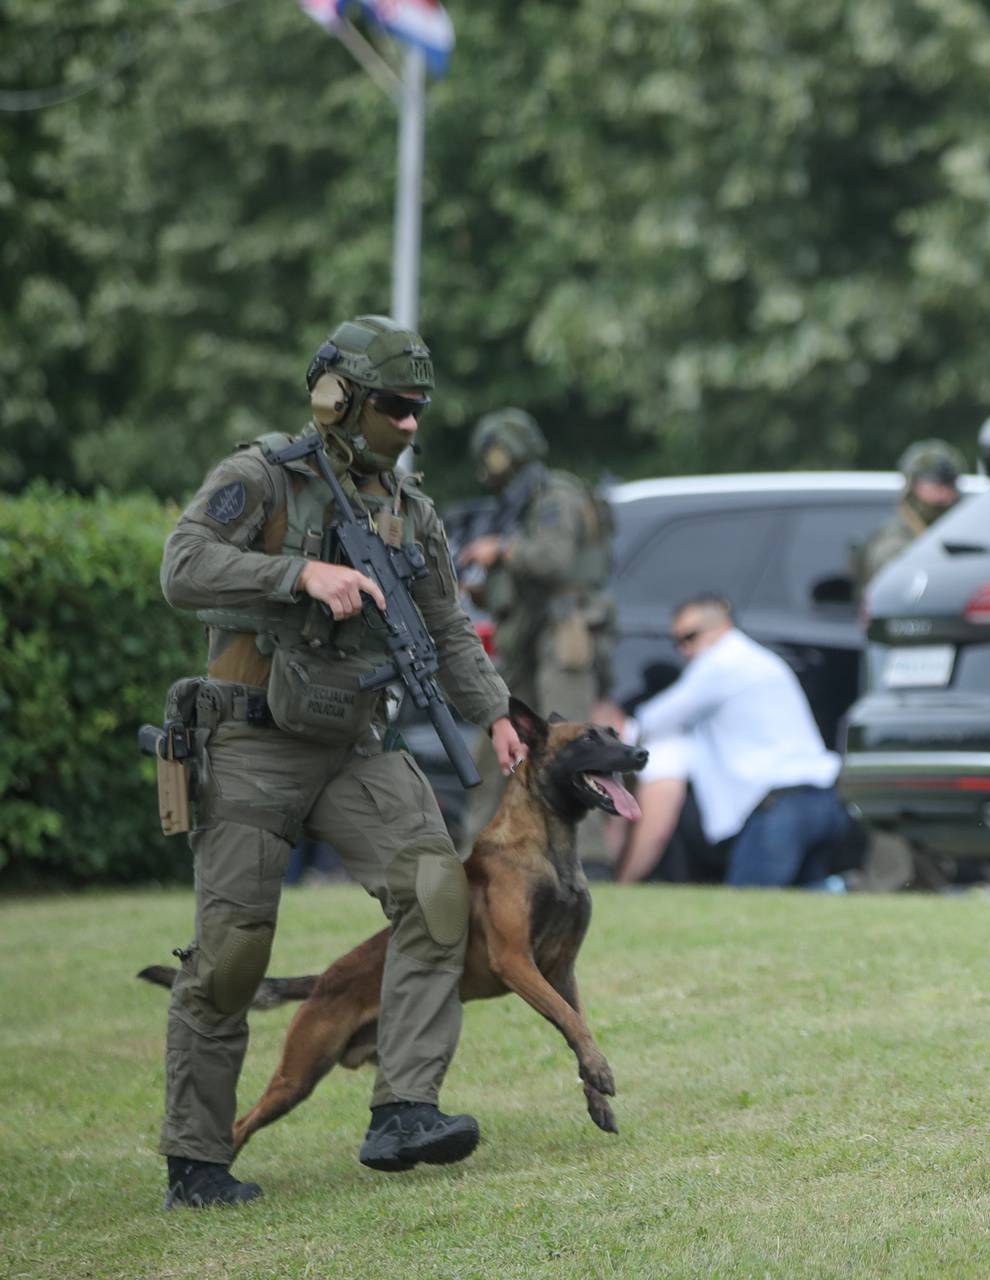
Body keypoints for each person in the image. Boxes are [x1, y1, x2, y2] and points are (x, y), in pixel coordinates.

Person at [156, 315, 527, 1209]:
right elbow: (182, 566)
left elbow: (444, 627)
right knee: (234, 954)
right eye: (396, 406)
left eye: (420, 409)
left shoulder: (411, 510)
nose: (411, 425)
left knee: (438, 894)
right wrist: (297, 578)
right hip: (250, 740)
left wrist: (498, 714)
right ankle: (198, 1163)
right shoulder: (260, 479)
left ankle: (403, 1110)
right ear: (339, 398)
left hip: (356, 745)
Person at [622, 595, 853, 887]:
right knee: (806, 912)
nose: (684, 649)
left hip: (780, 810)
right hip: (826, 800)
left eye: (690, 637)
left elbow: (653, 720)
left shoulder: (721, 662)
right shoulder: (760, 660)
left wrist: (621, 726)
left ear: (723, 626)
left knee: (746, 911)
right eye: (677, 641)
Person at [456, 408, 614, 724]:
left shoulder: (555, 496)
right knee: (507, 737)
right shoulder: (520, 503)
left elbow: (551, 559)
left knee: (563, 735)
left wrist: (499, 549)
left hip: (563, 626)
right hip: (527, 628)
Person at [852, 438, 966, 587]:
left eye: (948, 484)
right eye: (935, 483)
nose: (943, 493)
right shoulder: (894, 538)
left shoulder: (961, 531)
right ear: (913, 486)